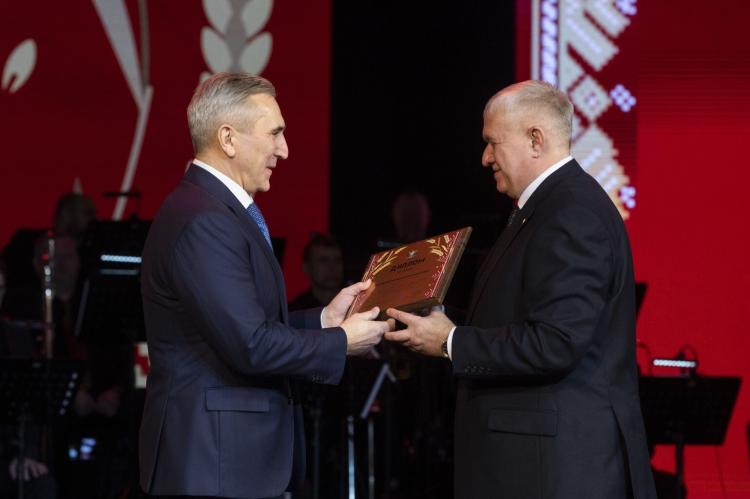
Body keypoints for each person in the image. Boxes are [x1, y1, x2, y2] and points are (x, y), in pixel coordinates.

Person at [385, 80, 657, 499]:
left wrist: (451, 342)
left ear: (535, 139)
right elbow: (517, 318)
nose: (485, 157)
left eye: (492, 142)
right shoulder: (548, 208)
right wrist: (440, 321)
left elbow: (556, 341)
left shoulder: (572, 213)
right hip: (535, 466)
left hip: (552, 473)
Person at [138, 72, 392, 499]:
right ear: (228, 138)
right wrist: (341, 342)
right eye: (274, 133)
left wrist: (324, 321)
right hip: (214, 463)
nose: (284, 149)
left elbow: (239, 326)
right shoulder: (206, 220)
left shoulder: (210, 209)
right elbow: (251, 344)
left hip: (222, 460)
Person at [288, 233, 344, 311]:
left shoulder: (354, 304)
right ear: (307, 268)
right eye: (323, 260)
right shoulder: (297, 311)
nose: (332, 267)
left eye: (337, 260)